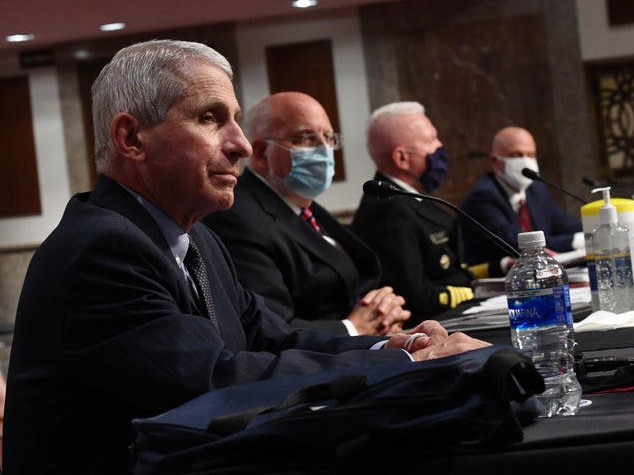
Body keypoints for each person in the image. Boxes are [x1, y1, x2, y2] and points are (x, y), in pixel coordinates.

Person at [1, 40, 492, 474]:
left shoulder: (197, 239)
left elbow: (271, 335)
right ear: (132, 138)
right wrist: (404, 365)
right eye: (210, 118)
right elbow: (214, 379)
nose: (238, 144)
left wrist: (392, 347)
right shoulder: (102, 248)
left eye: (234, 120)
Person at [203, 91, 409, 336]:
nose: (324, 150)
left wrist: (382, 310)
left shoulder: (302, 205)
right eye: (305, 138)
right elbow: (267, 328)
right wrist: (353, 329)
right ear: (260, 153)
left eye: (328, 137)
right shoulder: (236, 217)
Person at [351, 102, 512, 324]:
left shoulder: (411, 198)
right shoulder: (388, 209)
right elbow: (415, 297)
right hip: (435, 325)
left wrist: (502, 267)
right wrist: (478, 293)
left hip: (456, 314)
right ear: (402, 159)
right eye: (430, 141)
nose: (440, 147)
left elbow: (451, 271)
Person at [459, 126, 584, 265]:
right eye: (516, 155)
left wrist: (590, 233)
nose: (526, 162)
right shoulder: (482, 197)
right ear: (495, 162)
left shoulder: (536, 190)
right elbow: (520, 244)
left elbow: (566, 225)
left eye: (531, 155)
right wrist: (577, 240)